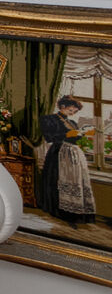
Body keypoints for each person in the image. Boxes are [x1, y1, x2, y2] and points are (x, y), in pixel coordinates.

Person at [38, 96, 97, 226]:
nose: (72, 113)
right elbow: (49, 137)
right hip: (58, 154)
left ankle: (74, 211)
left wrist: (83, 134)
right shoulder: (49, 119)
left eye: (75, 111)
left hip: (74, 155)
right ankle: (59, 211)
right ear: (63, 106)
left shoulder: (73, 123)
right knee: (58, 180)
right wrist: (66, 135)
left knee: (75, 180)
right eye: (71, 110)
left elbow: (75, 139)